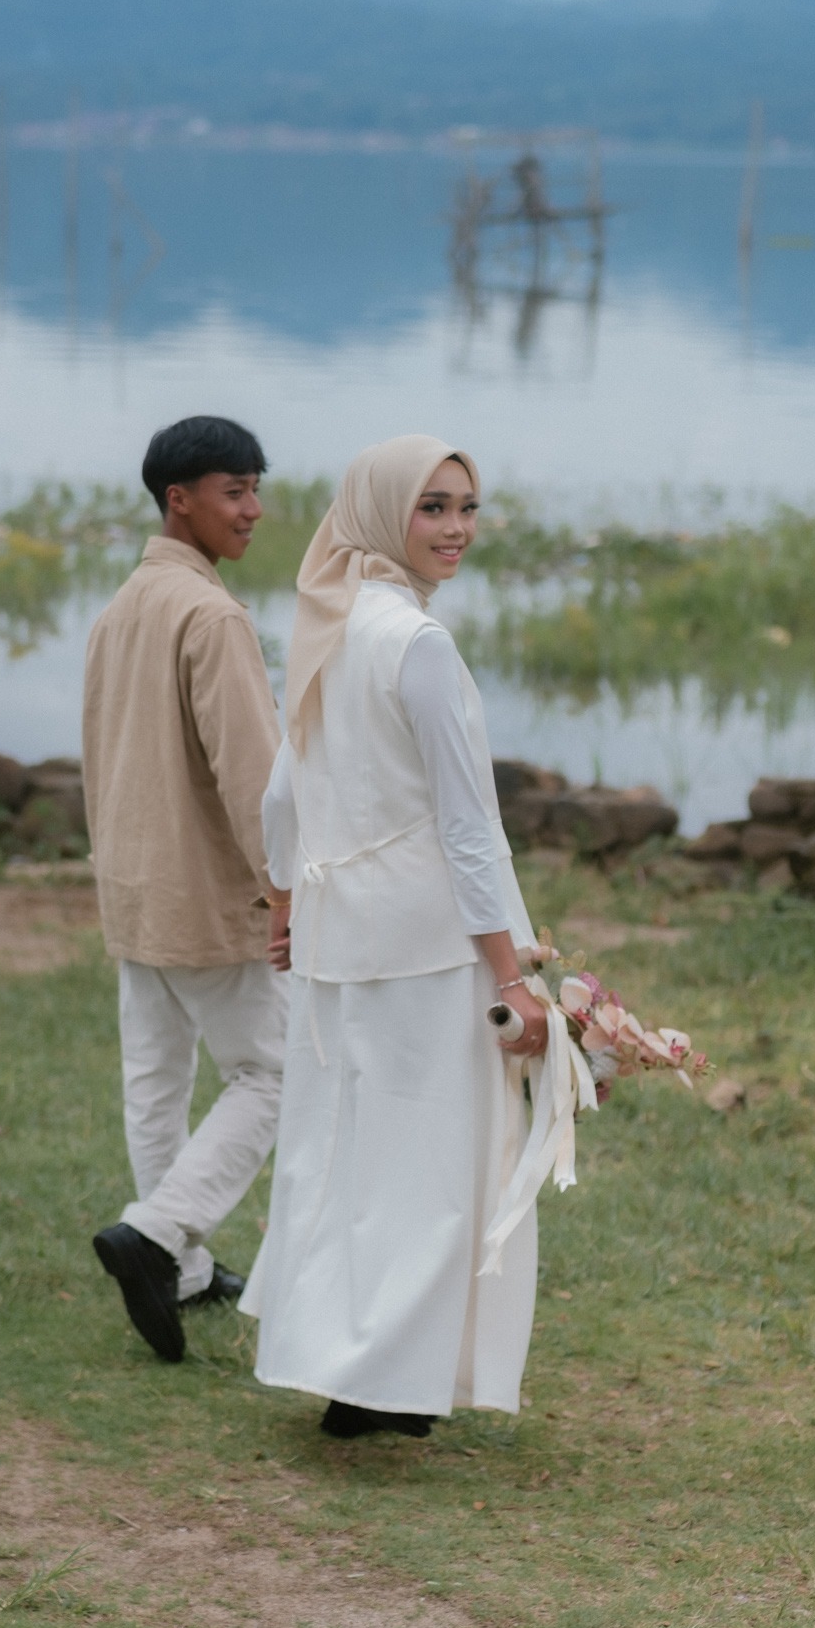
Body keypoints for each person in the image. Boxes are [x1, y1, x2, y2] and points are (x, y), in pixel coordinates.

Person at [240, 434, 548, 1438]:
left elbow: (282, 793)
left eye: (466, 506)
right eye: (432, 507)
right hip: (423, 942)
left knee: (343, 1154)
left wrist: (286, 902)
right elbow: (468, 826)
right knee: (426, 1164)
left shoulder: (331, 623)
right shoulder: (417, 643)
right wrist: (513, 976)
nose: (456, 528)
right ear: (381, 514)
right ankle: (383, 1380)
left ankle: (353, 1371)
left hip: (339, 935)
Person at [83, 415, 288, 1364]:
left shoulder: (122, 606)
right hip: (204, 892)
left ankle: (187, 1269)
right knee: (274, 1073)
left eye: (255, 489)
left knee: (156, 1084)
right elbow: (255, 778)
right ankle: (160, 1235)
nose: (253, 510)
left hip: (133, 885)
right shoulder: (211, 616)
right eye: (233, 491)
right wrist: (285, 888)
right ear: (180, 500)